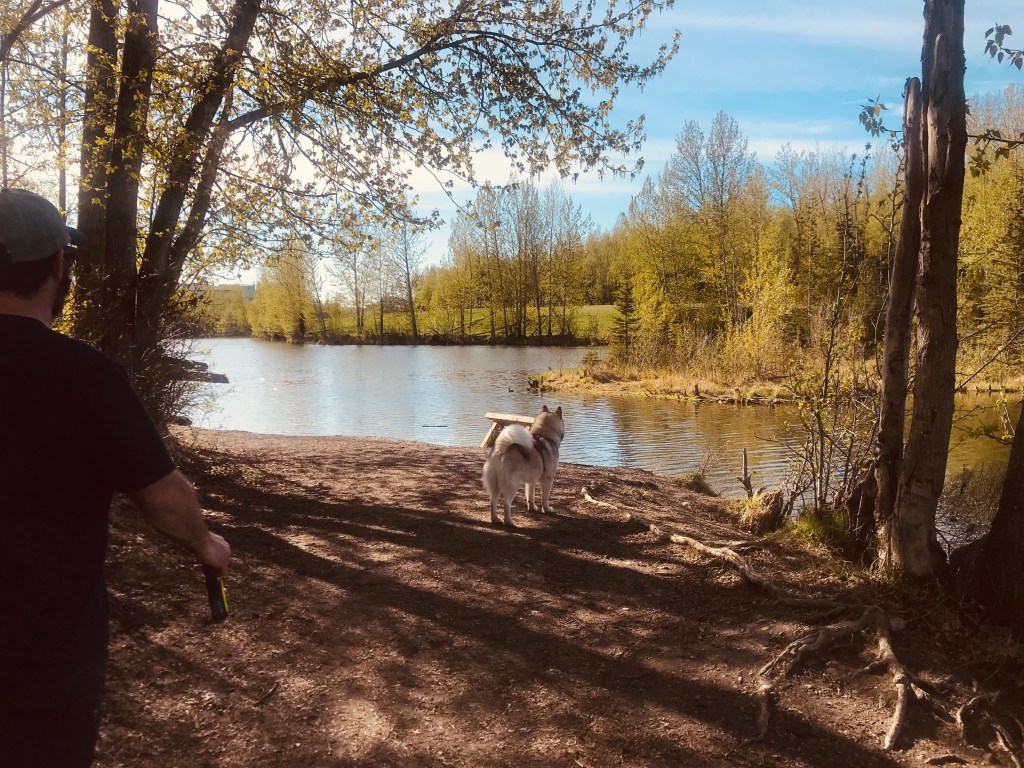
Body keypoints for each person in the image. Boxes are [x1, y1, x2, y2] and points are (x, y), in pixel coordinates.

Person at [0, 188, 231, 767]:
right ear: (58, 266)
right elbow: (161, 496)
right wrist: (208, 545)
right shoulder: (87, 378)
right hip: (44, 657)